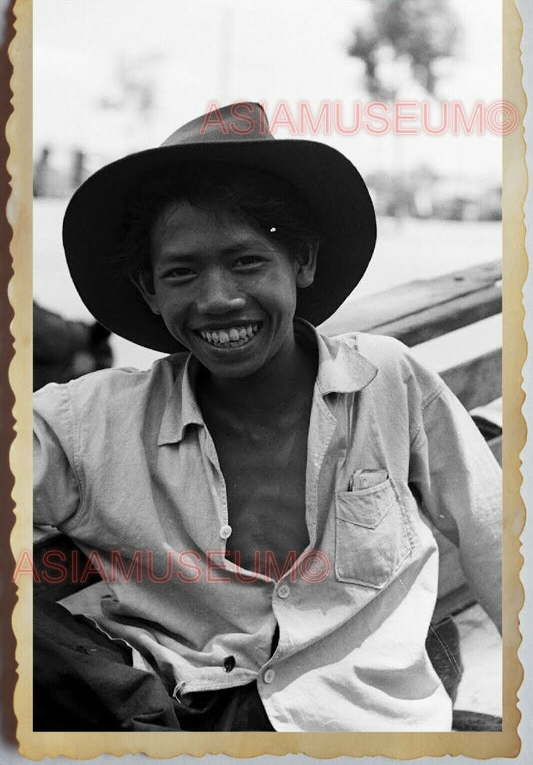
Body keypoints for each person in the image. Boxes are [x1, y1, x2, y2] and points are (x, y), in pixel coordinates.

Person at [33, 102, 501, 732]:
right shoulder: (89, 420)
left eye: (247, 261)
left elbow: (496, 536)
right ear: (149, 289)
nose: (218, 299)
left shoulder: (387, 382)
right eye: (181, 272)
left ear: (301, 262)